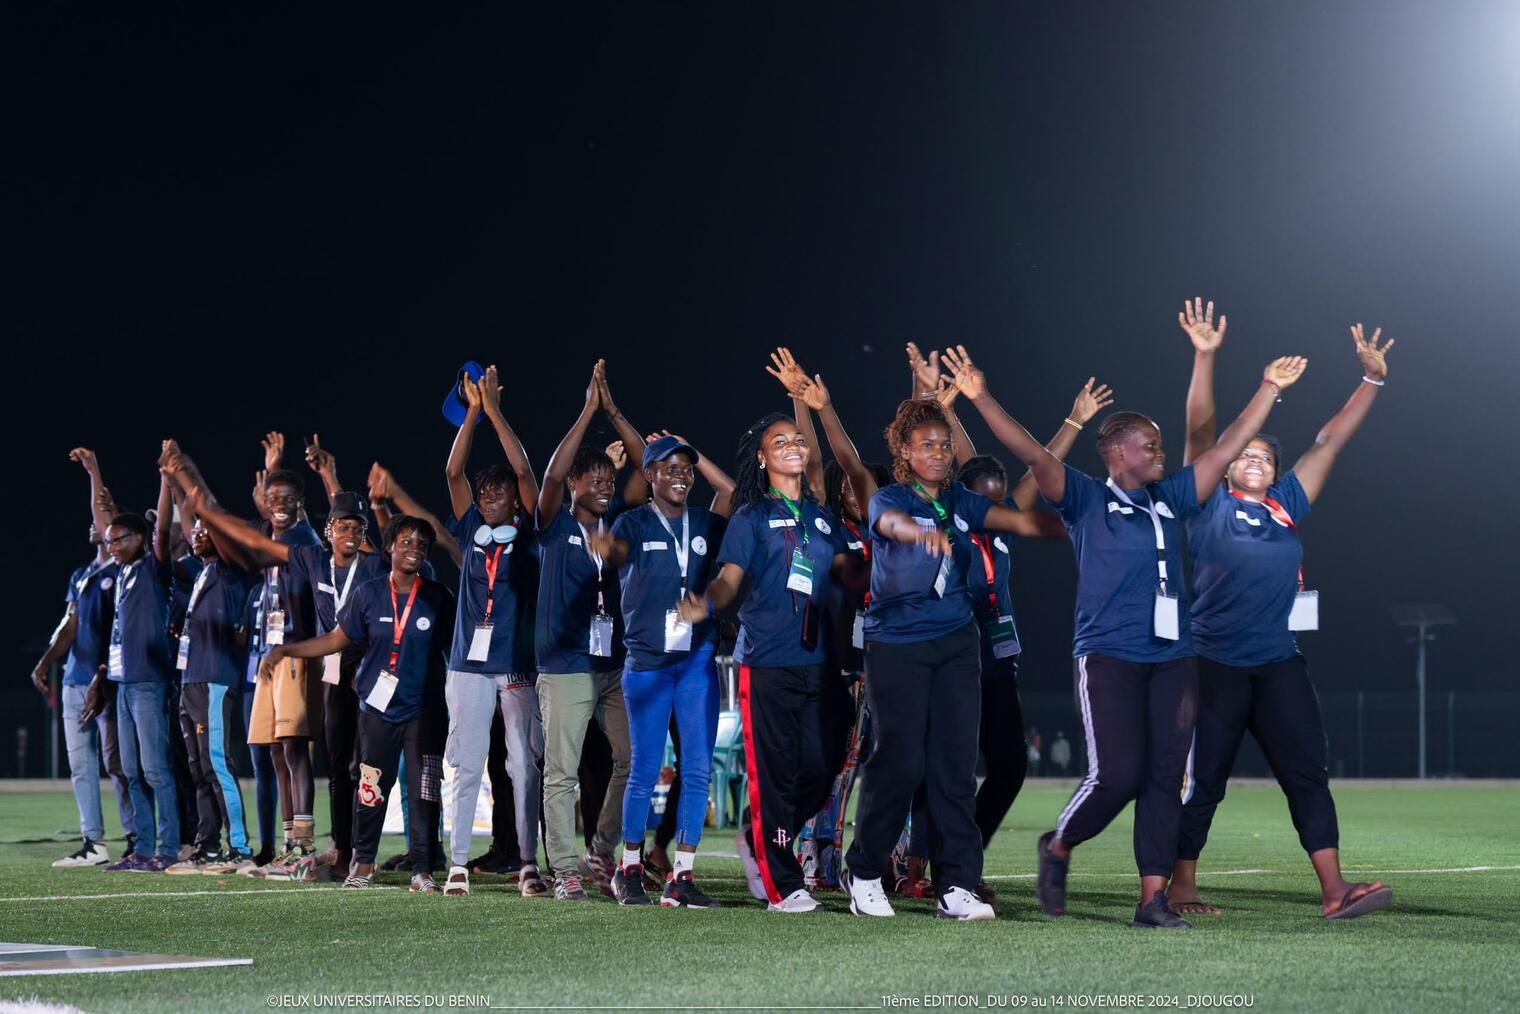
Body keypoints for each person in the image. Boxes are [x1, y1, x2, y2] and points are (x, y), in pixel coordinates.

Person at [937, 335, 1307, 929]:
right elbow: (1030, 453)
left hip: (1174, 656)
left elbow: (1226, 447)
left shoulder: (1172, 497)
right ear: (1117, 453)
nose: (1161, 454)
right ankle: (1058, 845)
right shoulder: (1084, 497)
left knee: (1165, 777)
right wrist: (980, 398)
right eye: (1151, 445)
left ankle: (1151, 900)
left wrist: (1267, 389)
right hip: (1108, 655)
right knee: (1117, 775)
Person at [1167, 304, 1395, 921]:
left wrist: (1370, 380)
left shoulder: (1286, 503)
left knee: (1307, 773)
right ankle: (1181, 885)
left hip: (1277, 662)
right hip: (1213, 661)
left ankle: (1333, 890)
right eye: (1247, 455)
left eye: (1266, 459)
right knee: (1204, 780)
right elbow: (1198, 431)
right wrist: (1205, 355)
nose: (1257, 462)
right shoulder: (1207, 500)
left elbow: (1329, 439)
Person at [839, 382, 1065, 922]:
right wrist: (919, 537)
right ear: (905, 455)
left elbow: (1010, 519)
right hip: (897, 644)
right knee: (900, 760)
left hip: (958, 642)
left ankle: (956, 884)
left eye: (944, 445)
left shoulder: (962, 499)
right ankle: (865, 871)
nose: (939, 453)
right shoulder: (890, 500)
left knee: (955, 766)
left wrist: (1066, 528)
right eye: (927, 446)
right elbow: (890, 526)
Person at [681, 385, 863, 913]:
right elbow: (728, 580)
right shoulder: (751, 518)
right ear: (762, 458)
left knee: (824, 763)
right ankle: (784, 885)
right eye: (778, 441)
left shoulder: (823, 518)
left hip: (822, 665)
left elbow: (844, 572)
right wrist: (705, 602)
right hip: (766, 664)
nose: (791, 445)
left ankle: (758, 836)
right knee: (776, 774)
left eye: (797, 440)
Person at [180, 457, 392, 880]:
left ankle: (338, 849)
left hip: (331, 660)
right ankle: (301, 845)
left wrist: (335, 481)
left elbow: (366, 535)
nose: (348, 533)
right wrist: (199, 500)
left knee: (336, 759)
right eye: (341, 526)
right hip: (285, 657)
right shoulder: (311, 557)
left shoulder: (362, 562)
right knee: (294, 755)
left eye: (356, 527)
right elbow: (250, 540)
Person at [261, 515, 455, 892]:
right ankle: (363, 863)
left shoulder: (438, 597)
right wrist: (287, 649)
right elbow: (336, 639)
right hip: (378, 710)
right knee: (371, 788)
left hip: (425, 711)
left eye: (421, 545)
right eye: (405, 542)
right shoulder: (368, 593)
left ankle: (422, 869)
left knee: (424, 791)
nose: (413, 549)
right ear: (388, 548)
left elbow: (456, 650)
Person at [587, 432, 735, 907]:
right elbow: (613, 554)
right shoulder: (632, 524)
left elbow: (730, 491)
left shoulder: (706, 523)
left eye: (686, 469)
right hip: (648, 663)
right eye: (668, 468)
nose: (680, 476)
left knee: (696, 769)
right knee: (644, 768)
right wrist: (605, 546)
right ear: (648, 475)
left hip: (695, 661)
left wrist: (694, 449)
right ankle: (627, 869)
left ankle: (682, 877)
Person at [163, 440, 323, 876]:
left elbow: (238, 530)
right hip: (266, 660)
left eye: (288, 500)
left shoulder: (302, 540)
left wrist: (191, 480)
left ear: (301, 506)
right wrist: (187, 482)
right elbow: (241, 531)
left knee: (293, 752)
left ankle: (300, 846)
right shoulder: (268, 539)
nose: (280, 507)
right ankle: (282, 845)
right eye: (273, 500)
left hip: (295, 653)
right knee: (273, 754)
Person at [435, 365, 548, 898]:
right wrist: (473, 413)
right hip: (466, 665)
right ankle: (457, 863)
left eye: (499, 495)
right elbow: (453, 473)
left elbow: (527, 474)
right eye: (486, 495)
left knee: (524, 766)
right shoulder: (471, 529)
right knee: (466, 761)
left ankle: (528, 862)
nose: (489, 499)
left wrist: (496, 411)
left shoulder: (527, 533)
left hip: (516, 664)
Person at [534, 362, 645, 902]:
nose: (603, 487)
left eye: (608, 480)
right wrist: (587, 411)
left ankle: (599, 852)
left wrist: (614, 411)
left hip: (613, 665)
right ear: (576, 485)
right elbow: (552, 477)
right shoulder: (554, 524)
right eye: (592, 480)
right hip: (565, 666)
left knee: (636, 758)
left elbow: (646, 464)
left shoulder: (618, 523)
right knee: (562, 774)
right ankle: (565, 871)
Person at [74, 448, 181, 872]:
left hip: (148, 681)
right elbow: (103, 522)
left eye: (121, 539)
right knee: (131, 769)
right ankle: (142, 848)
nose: (112, 544)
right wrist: (95, 473)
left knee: (156, 770)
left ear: (141, 538)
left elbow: (162, 531)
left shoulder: (155, 567)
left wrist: (167, 480)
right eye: (110, 540)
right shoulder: (119, 573)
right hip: (121, 680)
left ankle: (168, 850)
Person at [30, 508, 131, 867]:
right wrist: (46, 661)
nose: (94, 524)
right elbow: (70, 626)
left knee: (117, 763)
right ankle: (94, 842)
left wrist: (93, 470)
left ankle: (137, 838)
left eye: (101, 520)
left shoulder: (121, 572)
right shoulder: (82, 574)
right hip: (74, 679)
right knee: (81, 766)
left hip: (105, 681)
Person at [163, 515, 254, 873]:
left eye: (205, 530)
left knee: (217, 764)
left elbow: (196, 522)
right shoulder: (201, 573)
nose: (197, 535)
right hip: (190, 679)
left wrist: (180, 484)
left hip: (215, 679)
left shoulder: (228, 572)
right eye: (195, 530)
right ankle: (208, 847)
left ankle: (240, 848)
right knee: (198, 768)